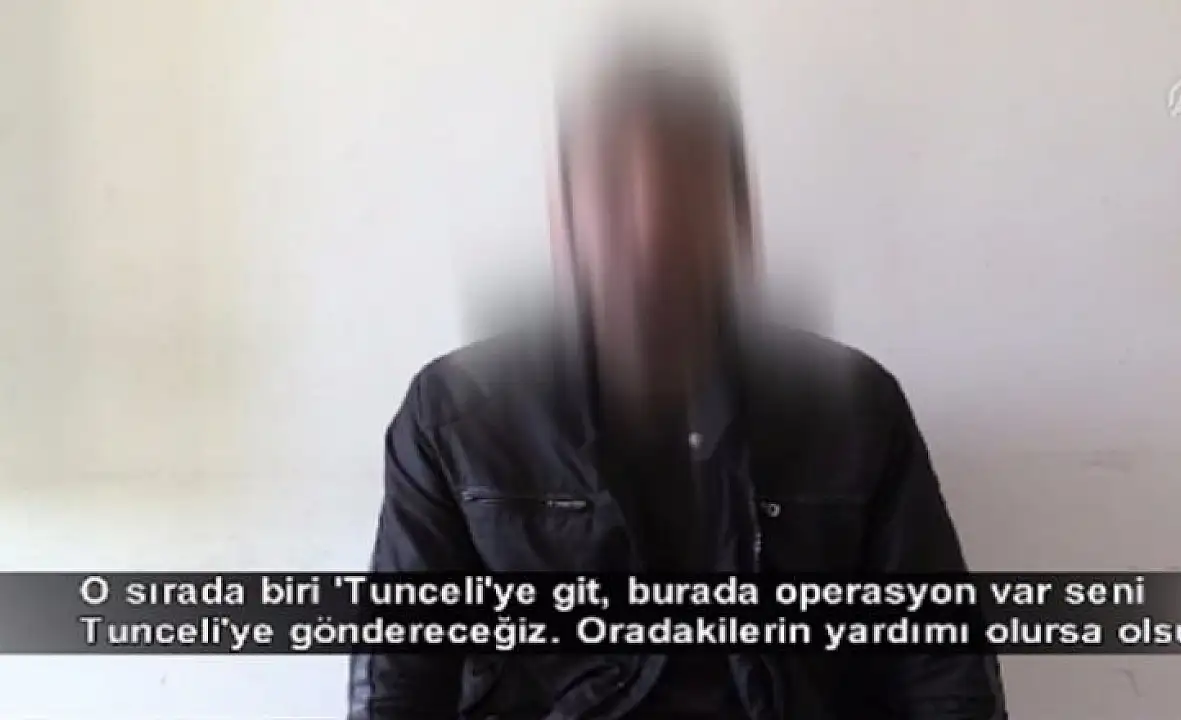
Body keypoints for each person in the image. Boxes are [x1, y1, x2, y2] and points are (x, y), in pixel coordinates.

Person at [349, 35, 1006, 720]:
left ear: (739, 218)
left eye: (683, 189)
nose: (649, 227)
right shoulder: (455, 415)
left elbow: (940, 664)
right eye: (613, 189)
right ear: (564, 220)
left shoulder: (854, 409)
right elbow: (401, 674)